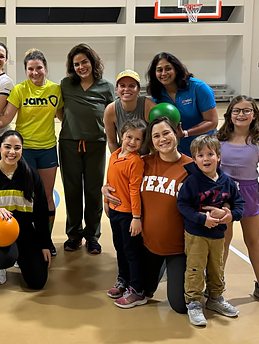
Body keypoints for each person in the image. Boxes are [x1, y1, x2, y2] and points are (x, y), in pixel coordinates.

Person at [103, 116, 192, 314]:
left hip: (178, 247)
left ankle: (183, 270)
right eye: (156, 136)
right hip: (149, 244)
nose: (162, 139)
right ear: (151, 142)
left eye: (166, 133)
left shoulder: (191, 168)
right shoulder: (143, 162)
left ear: (176, 132)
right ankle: (152, 271)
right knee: (144, 288)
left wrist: (226, 208)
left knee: (179, 305)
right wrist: (105, 190)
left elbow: (216, 186)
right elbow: (120, 178)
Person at [0, 49, 64, 256]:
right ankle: (25, 238)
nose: (35, 72)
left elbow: (63, 116)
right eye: (30, 69)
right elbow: (6, 119)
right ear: (26, 71)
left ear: (45, 68)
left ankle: (45, 239)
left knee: (47, 196)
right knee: (26, 197)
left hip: (48, 149)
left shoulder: (55, 90)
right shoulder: (20, 90)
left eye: (38, 68)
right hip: (25, 151)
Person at [0, 130, 51, 289]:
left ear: (22, 150)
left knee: (37, 282)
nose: (12, 152)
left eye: (17, 148)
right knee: (4, 259)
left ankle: (21, 256)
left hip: (24, 231)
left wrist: (44, 244)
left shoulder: (30, 175)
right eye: (7, 147)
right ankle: (0, 265)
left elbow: (41, 213)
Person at [177, 135, 244, 326]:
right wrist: (201, 219)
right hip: (197, 234)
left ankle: (215, 298)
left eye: (210, 154)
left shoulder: (227, 182)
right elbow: (182, 205)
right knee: (195, 268)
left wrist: (230, 215)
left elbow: (239, 203)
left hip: (218, 235)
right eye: (200, 155)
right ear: (194, 159)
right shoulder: (192, 182)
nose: (206, 159)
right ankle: (194, 302)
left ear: (219, 157)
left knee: (217, 267)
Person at [60, 44, 114, 254]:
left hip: (96, 145)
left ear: (92, 62)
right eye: (76, 64)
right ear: (72, 68)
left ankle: (92, 236)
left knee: (93, 192)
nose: (81, 67)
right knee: (72, 191)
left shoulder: (106, 87)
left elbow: (113, 116)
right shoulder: (66, 85)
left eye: (84, 62)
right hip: (69, 144)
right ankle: (74, 235)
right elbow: (61, 111)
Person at [217, 95, 259, 299]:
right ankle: (217, 285)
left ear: (254, 115)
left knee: (254, 241)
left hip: (250, 193)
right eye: (237, 110)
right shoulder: (220, 138)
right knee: (223, 241)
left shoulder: (257, 140)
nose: (241, 114)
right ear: (230, 114)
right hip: (224, 194)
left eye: (246, 110)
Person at [104, 120, 147, 308]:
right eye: (129, 137)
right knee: (119, 248)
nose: (132, 141)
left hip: (128, 215)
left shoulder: (135, 161)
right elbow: (109, 182)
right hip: (114, 212)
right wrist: (106, 200)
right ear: (122, 135)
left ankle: (137, 289)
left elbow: (134, 190)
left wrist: (136, 217)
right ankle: (123, 279)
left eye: (137, 139)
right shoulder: (114, 155)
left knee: (132, 252)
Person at [145, 52, 218, 157]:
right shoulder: (157, 97)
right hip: (178, 153)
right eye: (159, 70)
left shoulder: (198, 88)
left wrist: (185, 133)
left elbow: (212, 122)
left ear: (176, 69)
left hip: (205, 149)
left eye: (168, 68)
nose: (164, 73)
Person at [104, 69, 155, 153]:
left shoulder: (149, 106)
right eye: (122, 86)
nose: (126, 89)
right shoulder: (110, 110)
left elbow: (156, 139)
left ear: (138, 89)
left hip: (146, 157)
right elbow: (112, 141)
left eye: (131, 86)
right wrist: (118, 161)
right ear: (117, 89)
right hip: (125, 157)